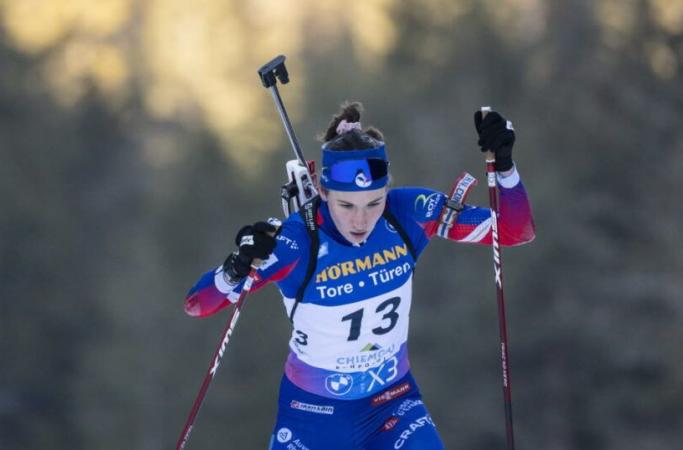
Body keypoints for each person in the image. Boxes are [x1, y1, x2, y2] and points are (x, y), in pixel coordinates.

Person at [184, 102, 535, 449]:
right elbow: (198, 304)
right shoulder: (296, 241)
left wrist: (504, 168)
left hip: (393, 405)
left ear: (387, 191)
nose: (360, 221)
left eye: (373, 203)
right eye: (346, 205)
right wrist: (237, 265)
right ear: (323, 193)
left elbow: (514, 231)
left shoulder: (407, 213)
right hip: (313, 418)